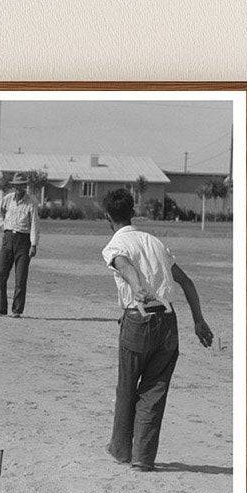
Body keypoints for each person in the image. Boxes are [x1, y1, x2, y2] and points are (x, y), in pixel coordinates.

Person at [100, 187, 214, 472]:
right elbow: (187, 282)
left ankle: (121, 450)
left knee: (127, 387)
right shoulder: (155, 242)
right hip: (168, 322)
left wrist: (137, 286)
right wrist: (199, 321)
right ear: (133, 212)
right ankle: (143, 457)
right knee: (154, 390)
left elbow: (123, 265)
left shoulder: (115, 245)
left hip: (138, 320)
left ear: (107, 217)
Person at [0, 173, 38, 317]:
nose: (19, 188)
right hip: (8, 238)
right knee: (0, 275)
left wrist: (34, 244)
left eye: (22, 185)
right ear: (14, 186)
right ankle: (1, 307)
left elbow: (35, 224)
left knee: (21, 277)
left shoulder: (31, 202)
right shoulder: (8, 199)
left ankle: (17, 310)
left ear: (25, 186)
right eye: (17, 186)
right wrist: (4, 225)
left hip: (23, 241)